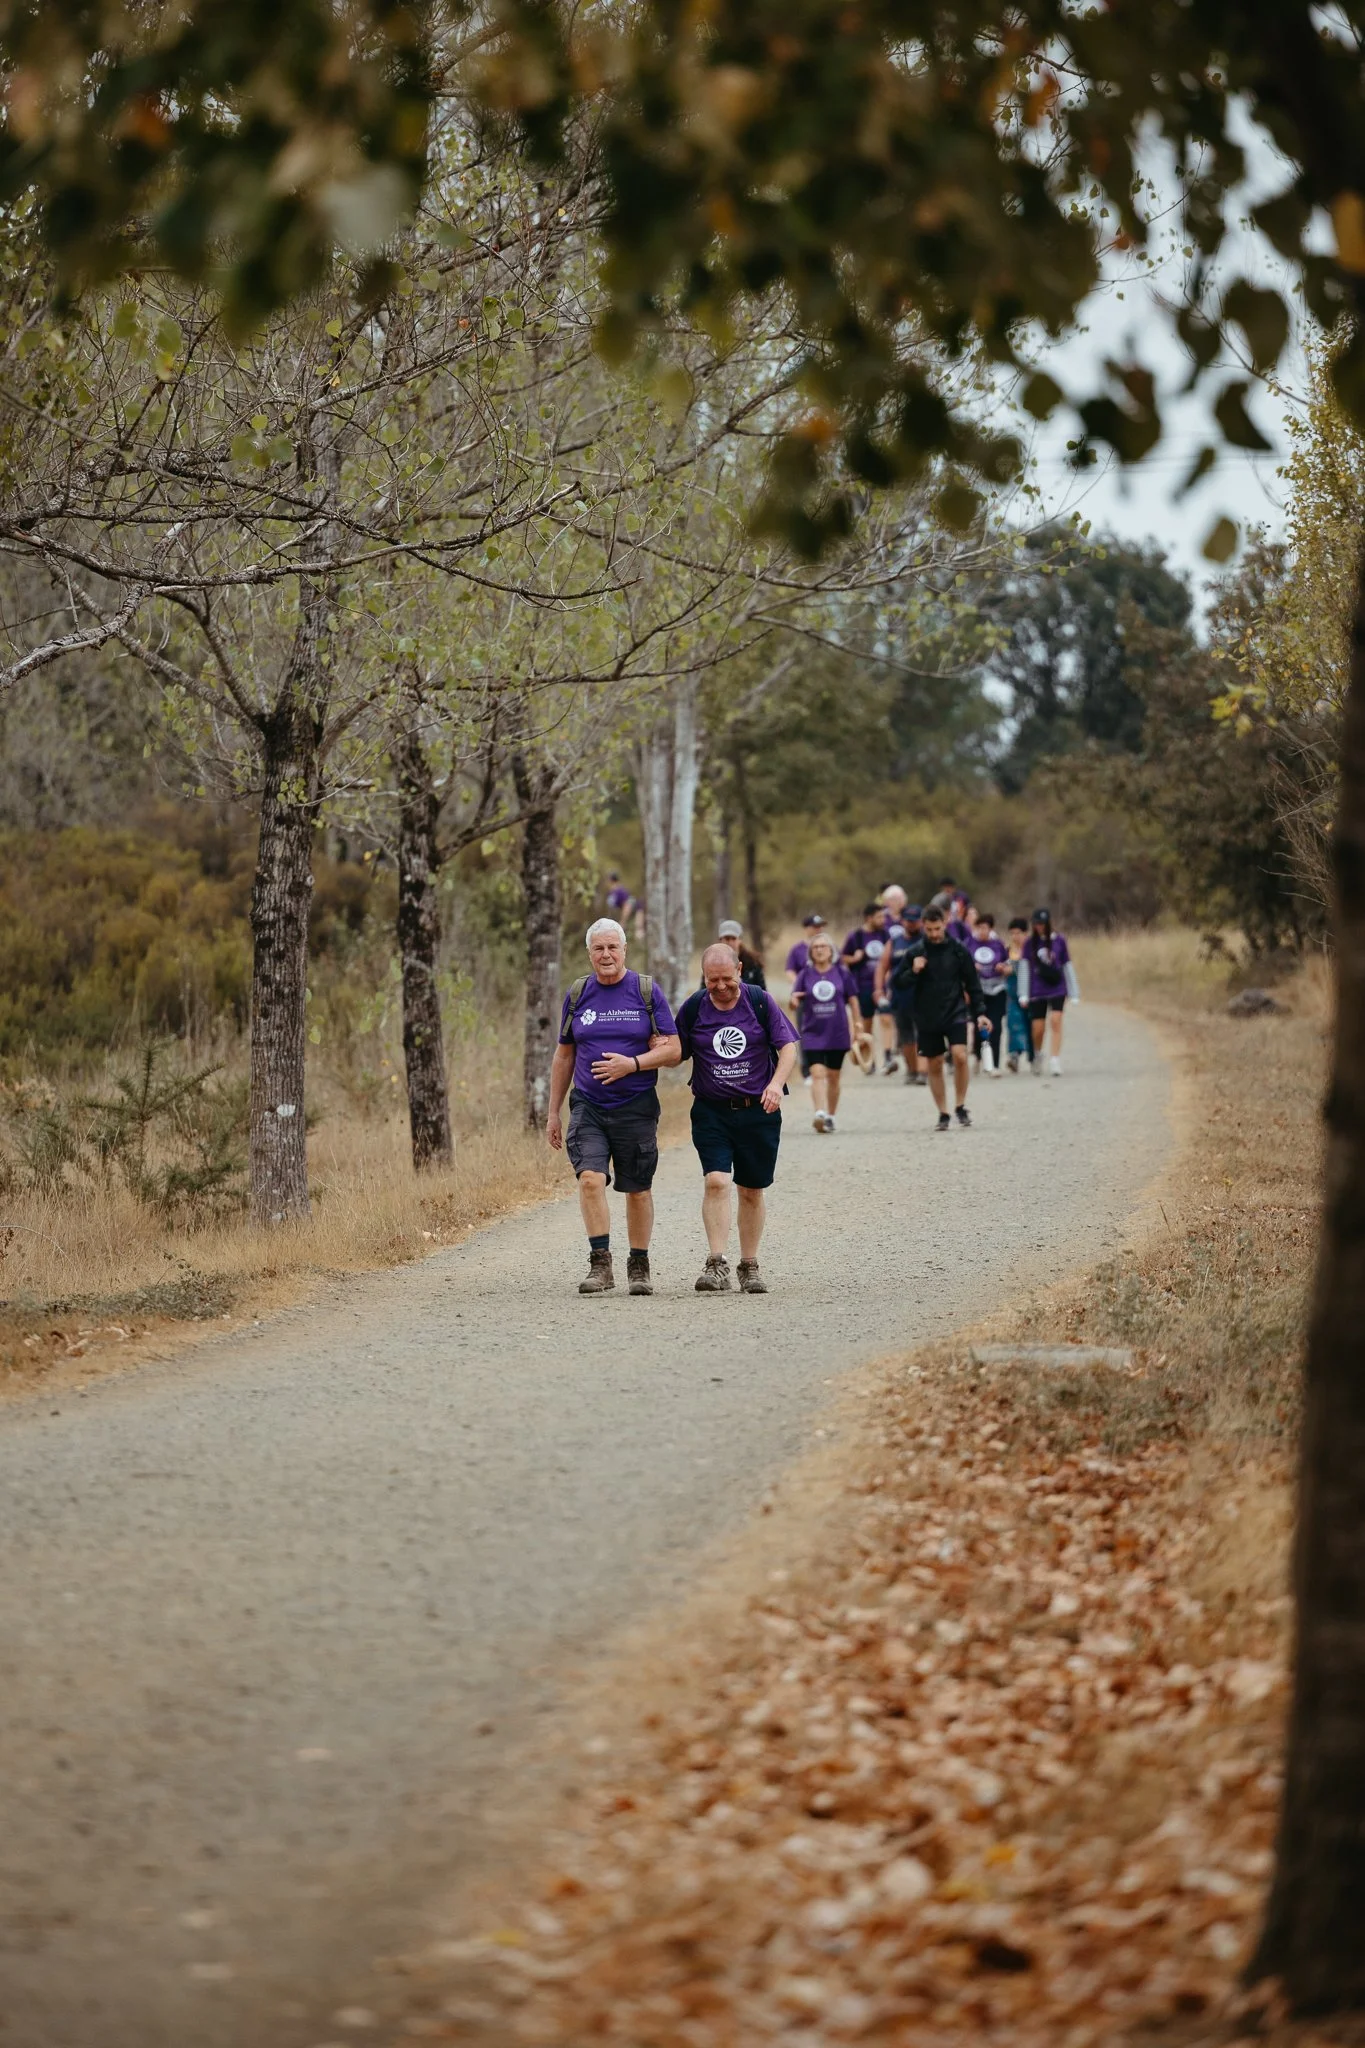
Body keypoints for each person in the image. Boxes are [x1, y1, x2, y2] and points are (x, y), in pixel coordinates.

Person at [546, 917, 680, 1296]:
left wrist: (632, 1064)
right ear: (589, 953)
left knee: (636, 1189)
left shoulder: (645, 992)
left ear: (624, 950)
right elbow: (563, 1056)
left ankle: (639, 1265)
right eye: (598, 948)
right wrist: (552, 1112)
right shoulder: (577, 995)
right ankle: (600, 1264)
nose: (606, 955)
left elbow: (674, 1049)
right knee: (590, 1179)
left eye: (612, 947)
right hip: (588, 1104)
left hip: (635, 1104)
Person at [674, 943, 799, 1294]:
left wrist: (776, 1084)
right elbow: (675, 1051)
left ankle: (749, 1265)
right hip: (711, 1110)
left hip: (759, 1109)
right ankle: (716, 1263)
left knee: (751, 1190)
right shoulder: (695, 1006)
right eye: (712, 980)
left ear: (740, 970)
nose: (720, 986)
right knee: (716, 1181)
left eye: (726, 978)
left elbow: (788, 1046)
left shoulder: (759, 1001)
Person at [892, 904, 990, 1130]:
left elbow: (973, 984)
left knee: (960, 1056)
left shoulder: (958, 950)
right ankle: (943, 1112)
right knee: (934, 1064)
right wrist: (913, 970)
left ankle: (960, 1105)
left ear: (945, 924)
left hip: (955, 1011)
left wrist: (981, 1013)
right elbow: (898, 983)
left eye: (937, 928)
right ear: (924, 928)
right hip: (927, 1016)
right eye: (929, 930)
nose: (934, 934)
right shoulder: (916, 951)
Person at [790, 931, 860, 1132]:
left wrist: (858, 1025)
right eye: (815, 947)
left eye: (823, 947)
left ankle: (831, 1115)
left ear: (831, 951)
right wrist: (794, 1001)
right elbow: (795, 999)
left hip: (837, 1031)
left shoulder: (842, 973)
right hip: (812, 1031)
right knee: (817, 1072)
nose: (819, 950)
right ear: (811, 952)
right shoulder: (805, 974)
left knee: (834, 1076)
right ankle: (819, 1112)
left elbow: (853, 1000)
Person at [1019, 907, 1079, 1075]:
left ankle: (1055, 1058)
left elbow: (1067, 965)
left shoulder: (1059, 940)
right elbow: (1024, 967)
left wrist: (1074, 992)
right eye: (1037, 923)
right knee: (1038, 1027)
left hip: (1057, 987)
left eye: (1043, 923)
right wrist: (1023, 993)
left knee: (1056, 1020)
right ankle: (1038, 1053)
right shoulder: (1030, 943)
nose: (1040, 927)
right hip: (1037, 989)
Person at [874, 899, 925, 1084]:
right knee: (906, 1037)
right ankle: (912, 1070)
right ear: (902, 921)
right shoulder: (895, 942)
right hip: (900, 996)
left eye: (915, 920)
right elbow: (882, 966)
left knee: (922, 1035)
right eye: (908, 920)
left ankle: (922, 1072)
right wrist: (879, 989)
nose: (912, 923)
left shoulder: (927, 940)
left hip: (924, 996)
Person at [841, 902, 894, 1072]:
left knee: (886, 1018)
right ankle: (869, 1060)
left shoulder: (885, 935)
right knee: (867, 1023)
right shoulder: (856, 936)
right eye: (879, 917)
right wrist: (854, 958)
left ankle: (888, 1057)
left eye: (883, 916)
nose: (882, 920)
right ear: (868, 918)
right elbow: (842, 958)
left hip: (882, 986)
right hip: (862, 985)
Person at [970, 912, 1009, 1076]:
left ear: (991, 928)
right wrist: (972, 968)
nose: (982, 931)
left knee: (996, 1026)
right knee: (978, 1027)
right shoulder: (969, 944)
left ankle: (994, 1063)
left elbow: (1009, 966)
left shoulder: (999, 944)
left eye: (985, 928)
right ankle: (979, 1057)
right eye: (979, 927)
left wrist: (1003, 969)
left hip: (997, 990)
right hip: (978, 991)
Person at [1002, 916, 1033, 1072]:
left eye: (1018, 933)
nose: (1015, 937)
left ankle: (1032, 1055)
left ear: (1026, 933)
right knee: (1013, 1023)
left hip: (1031, 993)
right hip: (1012, 993)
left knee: (1031, 1024)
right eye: (1012, 933)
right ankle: (1013, 1055)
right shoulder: (1008, 951)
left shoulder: (1032, 950)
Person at [717, 916, 767, 988]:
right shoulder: (712, 961)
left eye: (733, 938)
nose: (730, 942)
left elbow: (763, 992)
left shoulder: (753, 962)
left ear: (740, 940)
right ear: (720, 940)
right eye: (727, 939)